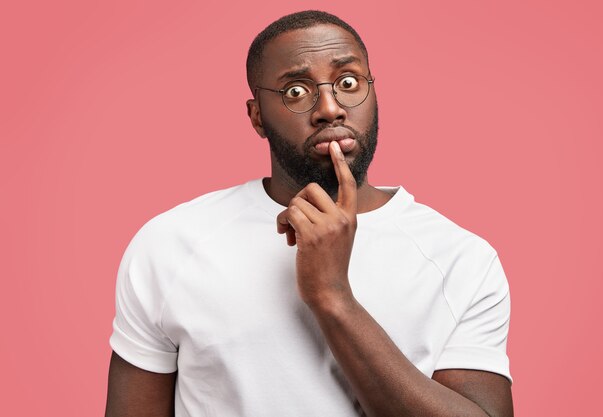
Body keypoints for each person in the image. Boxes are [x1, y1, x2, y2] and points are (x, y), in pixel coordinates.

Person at [105, 10, 513, 417]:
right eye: (296, 91)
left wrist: (332, 296)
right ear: (257, 116)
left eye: (348, 83)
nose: (330, 109)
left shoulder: (461, 258)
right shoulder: (170, 244)